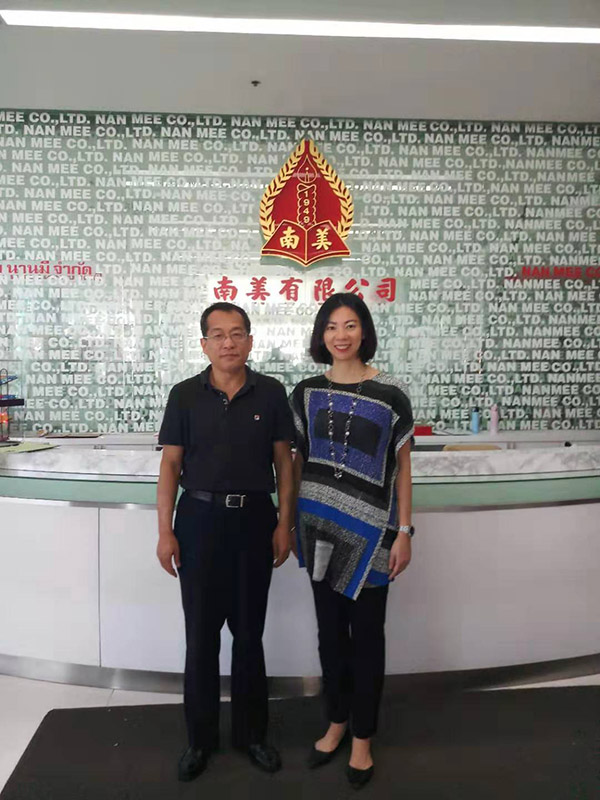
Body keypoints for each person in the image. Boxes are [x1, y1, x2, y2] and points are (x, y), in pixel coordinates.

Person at [156, 301, 294, 782]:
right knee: (200, 636)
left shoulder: (271, 393)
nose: (228, 343)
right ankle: (200, 740)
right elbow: (170, 465)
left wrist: (285, 523)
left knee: (249, 634)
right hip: (198, 521)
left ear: (250, 341)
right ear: (204, 344)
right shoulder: (184, 395)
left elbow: (284, 464)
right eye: (218, 335)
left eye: (237, 334)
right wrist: (165, 531)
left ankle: (252, 735)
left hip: (255, 520)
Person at [290, 293, 414, 789]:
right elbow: (297, 463)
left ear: (364, 331)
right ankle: (336, 720)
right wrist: (288, 521)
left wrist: (405, 531)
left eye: (350, 325)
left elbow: (403, 469)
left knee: (367, 639)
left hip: (374, 535)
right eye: (331, 326)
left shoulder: (390, 395)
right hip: (318, 529)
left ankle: (363, 736)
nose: (340, 335)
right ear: (321, 335)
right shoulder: (305, 393)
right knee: (329, 634)